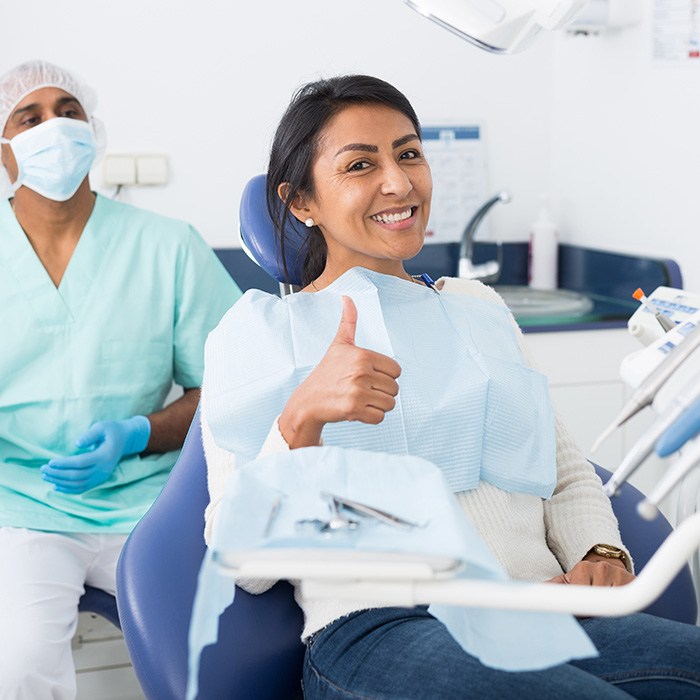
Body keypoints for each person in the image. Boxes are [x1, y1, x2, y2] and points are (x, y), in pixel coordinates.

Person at [200, 75, 700, 699]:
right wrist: (299, 421)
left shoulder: (476, 306)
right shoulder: (259, 333)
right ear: (301, 202)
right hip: (383, 630)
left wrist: (599, 552)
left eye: (408, 153)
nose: (399, 182)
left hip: (542, 611)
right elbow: (237, 557)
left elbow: (564, 466)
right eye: (361, 164)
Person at [0, 60, 241, 700]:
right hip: (21, 506)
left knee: (226, 647)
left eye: (69, 111)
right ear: (4, 150)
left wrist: (138, 433)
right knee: (17, 666)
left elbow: (231, 390)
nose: (55, 126)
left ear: (93, 130)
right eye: (30, 116)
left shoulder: (168, 247)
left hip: (149, 503)